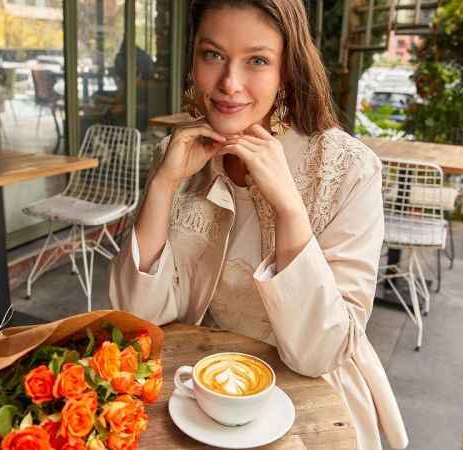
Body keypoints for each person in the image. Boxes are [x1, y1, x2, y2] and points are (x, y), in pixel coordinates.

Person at [109, 1, 408, 449]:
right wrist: (164, 184)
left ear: (286, 69)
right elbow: (138, 319)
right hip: (198, 388)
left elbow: (320, 353)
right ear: (193, 60)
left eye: (257, 61)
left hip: (313, 401)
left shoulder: (349, 170)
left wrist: (289, 206)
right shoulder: (177, 155)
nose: (230, 84)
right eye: (213, 55)